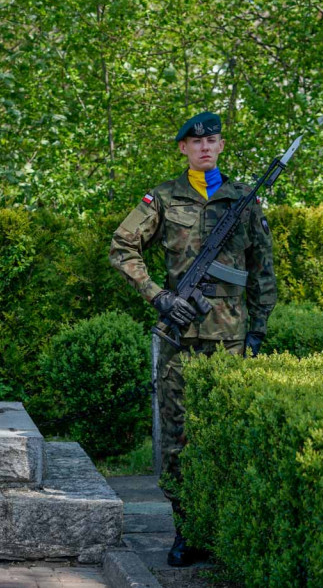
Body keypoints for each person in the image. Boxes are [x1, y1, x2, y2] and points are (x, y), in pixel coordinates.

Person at [108, 111, 276, 567]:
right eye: (195, 142)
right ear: (182, 148)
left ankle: (226, 532)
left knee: (224, 435)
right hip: (181, 337)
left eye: (213, 141)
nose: (205, 147)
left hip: (231, 342)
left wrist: (258, 332)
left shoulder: (244, 200)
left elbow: (263, 273)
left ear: (221, 146)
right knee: (179, 439)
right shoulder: (163, 198)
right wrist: (158, 297)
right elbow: (122, 247)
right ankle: (187, 531)